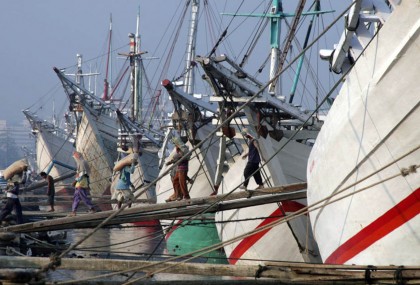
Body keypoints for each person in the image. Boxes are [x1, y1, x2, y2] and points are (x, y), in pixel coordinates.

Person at [69, 151, 96, 216]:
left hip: (80, 183)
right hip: (82, 183)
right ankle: (73, 211)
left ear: (77, 156)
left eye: (75, 156)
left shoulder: (82, 162)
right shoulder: (83, 162)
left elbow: (82, 174)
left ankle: (92, 208)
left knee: (83, 197)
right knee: (76, 198)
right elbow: (87, 175)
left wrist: (75, 181)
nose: (75, 158)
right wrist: (88, 184)